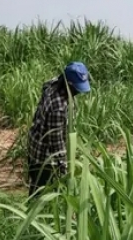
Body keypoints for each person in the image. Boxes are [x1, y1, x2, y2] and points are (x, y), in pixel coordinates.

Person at [27, 61, 91, 197]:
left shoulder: (53, 83)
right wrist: (65, 169)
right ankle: (34, 216)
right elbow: (56, 144)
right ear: (69, 84)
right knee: (42, 194)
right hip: (44, 156)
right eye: (77, 88)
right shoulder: (59, 108)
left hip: (34, 140)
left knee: (36, 187)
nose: (79, 92)